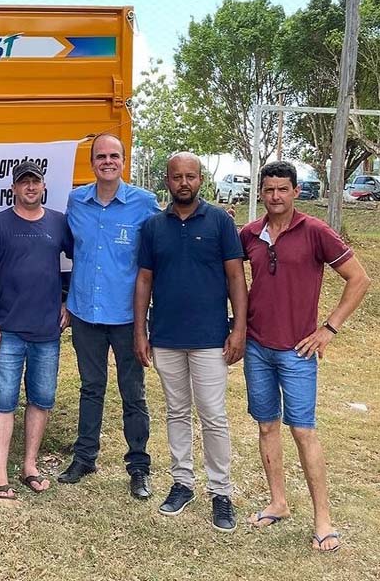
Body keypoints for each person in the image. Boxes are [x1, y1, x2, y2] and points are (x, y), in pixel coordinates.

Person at [240, 161, 369, 552]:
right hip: (257, 347)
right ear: (261, 193)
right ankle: (278, 502)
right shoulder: (250, 234)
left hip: (297, 351)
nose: (275, 196)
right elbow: (227, 274)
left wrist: (328, 329)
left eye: (283, 189)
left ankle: (324, 521)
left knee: (303, 431)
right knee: (266, 426)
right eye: (269, 190)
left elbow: (359, 279)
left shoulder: (315, 232)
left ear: (296, 191)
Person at [133, 152, 247, 532]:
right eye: (177, 177)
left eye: (192, 177)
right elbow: (145, 280)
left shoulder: (219, 222)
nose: (184, 183)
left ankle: (221, 491)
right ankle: (182, 483)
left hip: (210, 337)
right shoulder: (152, 226)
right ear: (167, 180)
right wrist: (140, 331)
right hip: (165, 336)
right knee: (177, 412)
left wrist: (239, 329)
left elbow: (235, 279)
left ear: (201, 180)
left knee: (213, 415)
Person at [58, 133, 160, 499]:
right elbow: (69, 249)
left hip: (127, 316)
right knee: (91, 387)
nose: (107, 161)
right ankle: (85, 458)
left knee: (133, 393)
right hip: (85, 311)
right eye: (100, 156)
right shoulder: (76, 202)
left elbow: (160, 250)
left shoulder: (144, 203)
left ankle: (138, 467)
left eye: (113, 156)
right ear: (92, 163)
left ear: (123, 161)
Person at [0, 161, 71, 501]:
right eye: (24, 183)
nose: (30, 187)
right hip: (7, 330)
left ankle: (30, 466)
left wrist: (69, 302)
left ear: (44, 186)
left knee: (41, 399)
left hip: (47, 330)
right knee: (3, 401)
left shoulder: (58, 223)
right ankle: (1, 474)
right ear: (14, 189)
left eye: (35, 182)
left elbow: (76, 263)